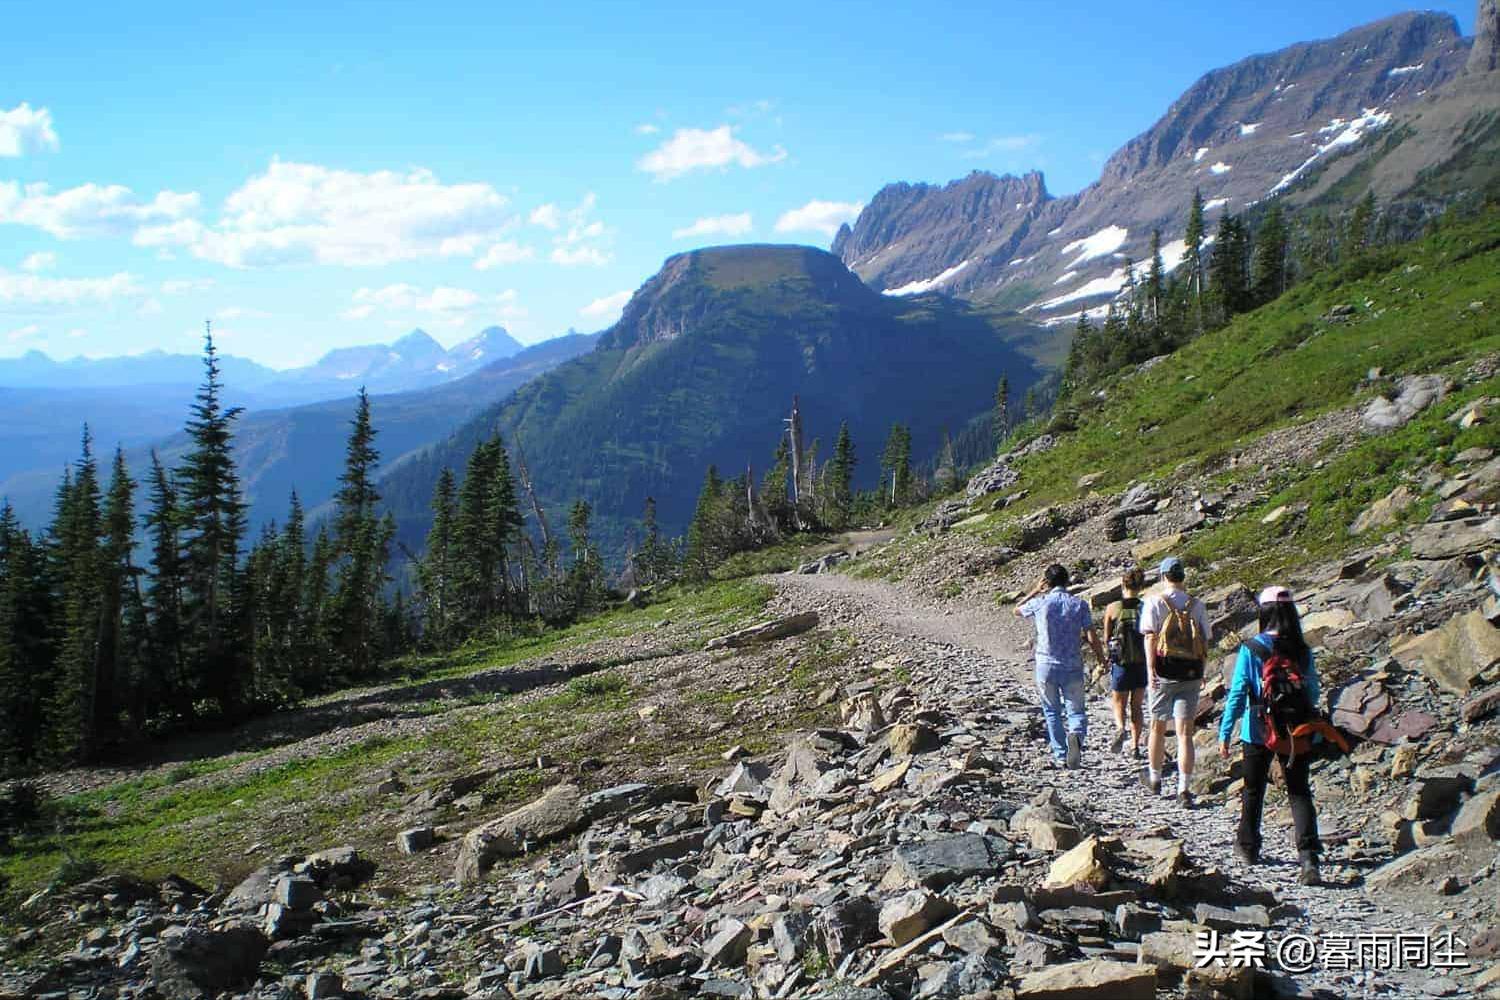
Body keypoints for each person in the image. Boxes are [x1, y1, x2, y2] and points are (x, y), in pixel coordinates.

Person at [1219, 586, 1324, 886]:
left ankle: (1248, 847)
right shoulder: (1301, 649)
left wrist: (1226, 731)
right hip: (1296, 729)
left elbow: (1239, 692)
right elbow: (1313, 692)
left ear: (1263, 612)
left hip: (1258, 727)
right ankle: (1308, 858)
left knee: (1253, 789)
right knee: (1299, 791)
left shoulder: (1253, 648)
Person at [1015, 563, 1106, 769]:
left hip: (1045, 664)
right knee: (1076, 710)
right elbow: (1092, 636)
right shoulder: (1079, 605)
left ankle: (1060, 753)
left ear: (1047, 582)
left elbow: (1016, 610)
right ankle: (1076, 735)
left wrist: (1035, 590)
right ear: (1067, 581)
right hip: (1073, 663)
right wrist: (1101, 658)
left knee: (1051, 711)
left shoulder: (1040, 602)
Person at [1139, 555, 1211, 806]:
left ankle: (1155, 778)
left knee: (1157, 726)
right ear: (1183, 577)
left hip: (1163, 672)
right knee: (1185, 733)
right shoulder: (1197, 605)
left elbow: (1149, 637)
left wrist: (1150, 670)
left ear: (1163, 576)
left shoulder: (1154, 603)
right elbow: (1204, 640)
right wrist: (1202, 671)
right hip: (1191, 673)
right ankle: (1183, 789)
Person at [1102, 565, 1148, 757]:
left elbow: (1106, 638)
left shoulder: (1113, 608)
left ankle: (1121, 727)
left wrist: (1105, 659)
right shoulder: (1145, 608)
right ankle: (1135, 746)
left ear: (1123, 584)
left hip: (1121, 663)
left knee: (1119, 702)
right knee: (1136, 705)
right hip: (1141, 663)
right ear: (1140, 586)